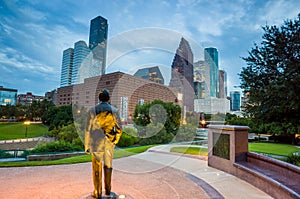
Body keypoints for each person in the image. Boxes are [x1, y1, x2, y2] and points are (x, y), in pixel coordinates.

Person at [85, 89, 122, 199]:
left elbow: (88, 130)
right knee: (108, 167)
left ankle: (97, 193)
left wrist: (87, 145)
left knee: (97, 168)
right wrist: (115, 141)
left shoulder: (92, 110)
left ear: (99, 98)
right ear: (108, 98)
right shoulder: (114, 110)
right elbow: (119, 129)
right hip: (109, 143)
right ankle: (108, 191)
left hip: (96, 143)